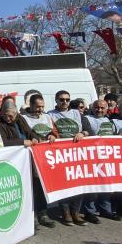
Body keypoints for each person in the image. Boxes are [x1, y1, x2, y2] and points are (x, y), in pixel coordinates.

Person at [47, 90, 88, 226]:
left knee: (78, 184)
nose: (64, 102)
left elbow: (88, 130)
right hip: (60, 154)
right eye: (61, 99)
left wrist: (83, 133)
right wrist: (50, 135)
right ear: (56, 100)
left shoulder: (77, 113)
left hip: (77, 154)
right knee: (63, 184)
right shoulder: (50, 115)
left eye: (67, 99)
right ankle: (66, 213)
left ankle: (76, 212)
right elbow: (48, 131)